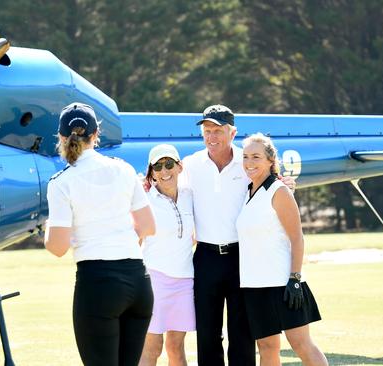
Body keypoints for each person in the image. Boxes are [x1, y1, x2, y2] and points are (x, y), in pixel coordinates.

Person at [181, 104, 295, 366]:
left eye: (218, 131)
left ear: (232, 133)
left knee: (242, 332)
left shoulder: (247, 162)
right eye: (207, 131)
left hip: (241, 259)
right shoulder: (191, 165)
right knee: (208, 334)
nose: (212, 137)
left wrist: (284, 184)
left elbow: (272, 185)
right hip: (206, 258)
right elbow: (167, 186)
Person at [44, 102, 156, 366]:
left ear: (61, 137)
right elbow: (148, 227)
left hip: (98, 285)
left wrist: (49, 226)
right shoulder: (124, 169)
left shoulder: (61, 182)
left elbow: (57, 247)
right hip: (138, 281)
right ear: (96, 134)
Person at [236, 133, 327, 366]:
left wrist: (294, 279)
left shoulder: (279, 191)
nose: (249, 162)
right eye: (246, 157)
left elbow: (297, 238)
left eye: (256, 156)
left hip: (283, 284)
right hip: (254, 286)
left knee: (301, 344)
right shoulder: (247, 193)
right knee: (267, 348)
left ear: (270, 160)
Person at [139, 144, 195, 366]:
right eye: (158, 166)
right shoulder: (144, 200)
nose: (165, 171)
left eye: (169, 164)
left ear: (179, 167)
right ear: (151, 172)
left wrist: (281, 181)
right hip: (155, 280)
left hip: (184, 282)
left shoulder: (191, 195)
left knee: (176, 347)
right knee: (152, 348)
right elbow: (134, 241)